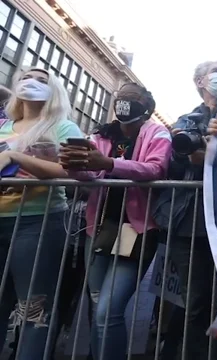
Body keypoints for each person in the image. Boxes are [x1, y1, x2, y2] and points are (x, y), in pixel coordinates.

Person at [154, 61, 217, 360]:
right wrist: (192, 151)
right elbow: (175, 164)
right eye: (215, 71)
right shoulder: (185, 121)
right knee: (195, 300)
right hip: (189, 222)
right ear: (200, 82)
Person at [60, 83, 172, 360]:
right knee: (98, 305)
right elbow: (91, 177)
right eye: (121, 97)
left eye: (132, 98)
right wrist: (77, 166)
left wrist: (108, 163)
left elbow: (155, 169)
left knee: (108, 309)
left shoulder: (157, 132)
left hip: (137, 230)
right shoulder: (101, 133)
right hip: (97, 229)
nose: (125, 101)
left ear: (147, 107)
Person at [0, 67, 83, 359]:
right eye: (25, 77)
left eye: (42, 80)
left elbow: (73, 171)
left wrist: (16, 156)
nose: (31, 82)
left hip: (38, 223)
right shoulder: (4, 127)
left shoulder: (63, 127)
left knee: (33, 308)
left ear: (55, 90)